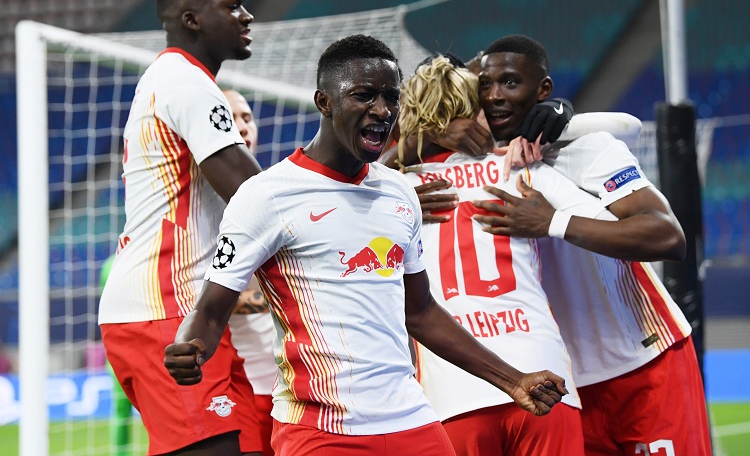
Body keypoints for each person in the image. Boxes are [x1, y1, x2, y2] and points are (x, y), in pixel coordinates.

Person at [163, 35, 568, 456]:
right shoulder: (266, 196)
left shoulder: (400, 193)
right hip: (322, 429)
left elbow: (422, 312)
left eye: (391, 97)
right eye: (364, 96)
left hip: (412, 419)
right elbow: (208, 312)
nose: (382, 110)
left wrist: (513, 380)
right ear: (324, 101)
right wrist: (192, 346)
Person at [470, 35, 712, 456]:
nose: (495, 97)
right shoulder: (469, 167)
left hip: (642, 362)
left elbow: (667, 237)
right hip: (558, 384)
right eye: (485, 86)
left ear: (543, 91)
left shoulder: (588, 148)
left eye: (510, 83)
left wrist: (553, 221)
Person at [397, 54, 636, 454]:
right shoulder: (522, 169)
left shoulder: (393, 191)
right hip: (543, 379)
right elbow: (617, 229)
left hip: (452, 392)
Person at [98, 0, 264, 456]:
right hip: (163, 310)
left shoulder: (178, 81)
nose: (246, 14)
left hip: (189, 310)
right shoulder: (184, 81)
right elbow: (249, 192)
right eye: (231, 6)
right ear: (192, 19)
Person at [224, 88, 277, 456]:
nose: (244, 126)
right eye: (231, 117)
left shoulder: (273, 195)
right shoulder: (205, 208)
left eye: (248, 117)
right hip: (243, 389)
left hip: (293, 386)